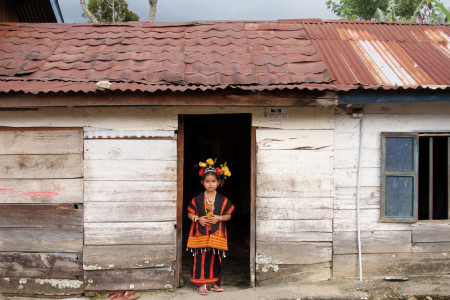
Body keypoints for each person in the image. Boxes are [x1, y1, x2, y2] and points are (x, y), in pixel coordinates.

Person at [186, 158, 234, 295]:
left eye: (213, 181)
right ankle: (201, 284)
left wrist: (218, 218)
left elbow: (228, 216)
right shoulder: (197, 199)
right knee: (200, 258)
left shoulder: (223, 200)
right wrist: (197, 218)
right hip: (200, 233)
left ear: (218, 182)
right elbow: (189, 213)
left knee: (215, 258)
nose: (210, 184)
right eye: (207, 181)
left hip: (217, 233)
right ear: (202, 183)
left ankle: (215, 282)